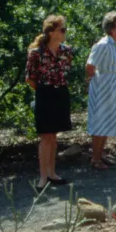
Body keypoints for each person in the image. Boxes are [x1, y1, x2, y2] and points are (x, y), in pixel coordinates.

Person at [26, 14, 74, 190]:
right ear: (52, 32)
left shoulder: (66, 51)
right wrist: (44, 91)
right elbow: (30, 78)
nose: (65, 33)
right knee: (45, 137)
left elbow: (66, 72)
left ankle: (52, 173)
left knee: (53, 137)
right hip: (44, 94)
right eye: (62, 29)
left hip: (61, 93)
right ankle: (43, 177)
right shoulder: (36, 53)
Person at [86, 12, 116, 170]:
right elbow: (90, 66)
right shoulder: (102, 45)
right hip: (103, 84)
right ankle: (95, 158)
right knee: (100, 119)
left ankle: (101, 154)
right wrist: (95, 79)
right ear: (112, 28)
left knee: (109, 119)